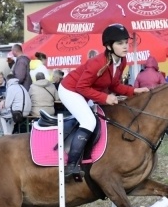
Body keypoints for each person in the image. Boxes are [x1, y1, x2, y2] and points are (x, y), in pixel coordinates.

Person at [58, 24, 149, 180]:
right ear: (108, 46)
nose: (125, 46)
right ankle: (71, 165)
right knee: (88, 122)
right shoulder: (97, 62)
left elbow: (114, 85)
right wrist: (105, 98)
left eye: (126, 42)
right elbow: (81, 86)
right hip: (70, 90)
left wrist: (133, 91)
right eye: (120, 43)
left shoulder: (122, 61)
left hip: (84, 92)